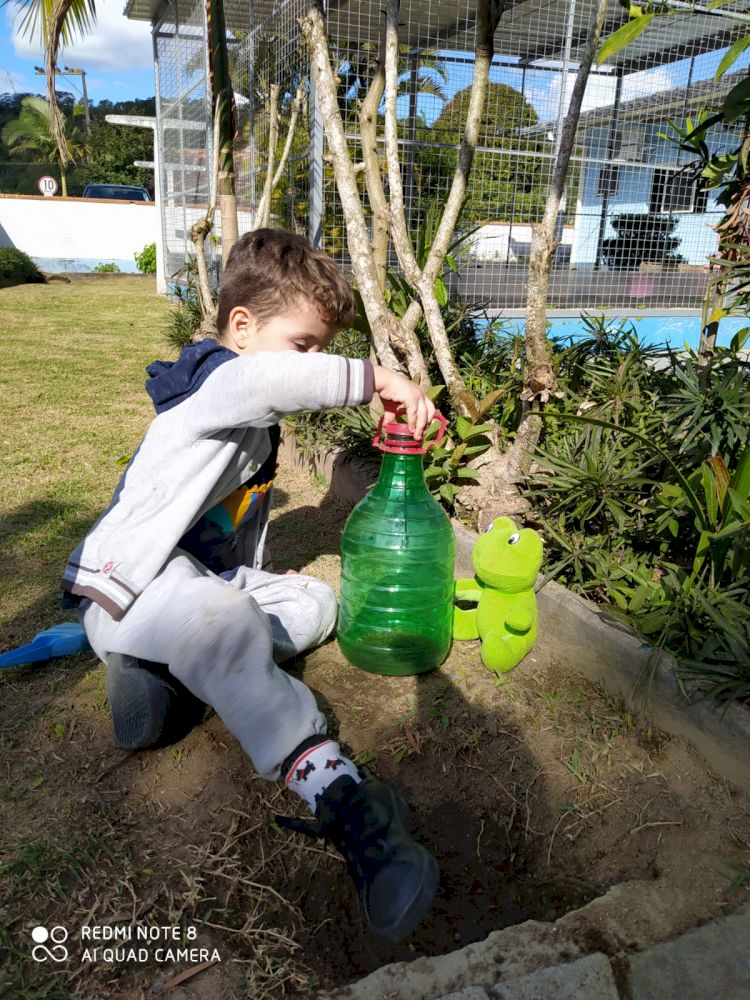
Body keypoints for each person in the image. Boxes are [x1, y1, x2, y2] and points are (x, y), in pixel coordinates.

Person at [61, 228, 439, 943]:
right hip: (130, 588)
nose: (312, 363)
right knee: (223, 618)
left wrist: (262, 581)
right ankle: (336, 790)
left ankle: (163, 684)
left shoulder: (252, 421)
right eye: (304, 346)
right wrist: (379, 380)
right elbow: (267, 380)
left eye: (320, 350)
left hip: (199, 588)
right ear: (242, 327)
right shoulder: (215, 381)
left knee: (314, 601)